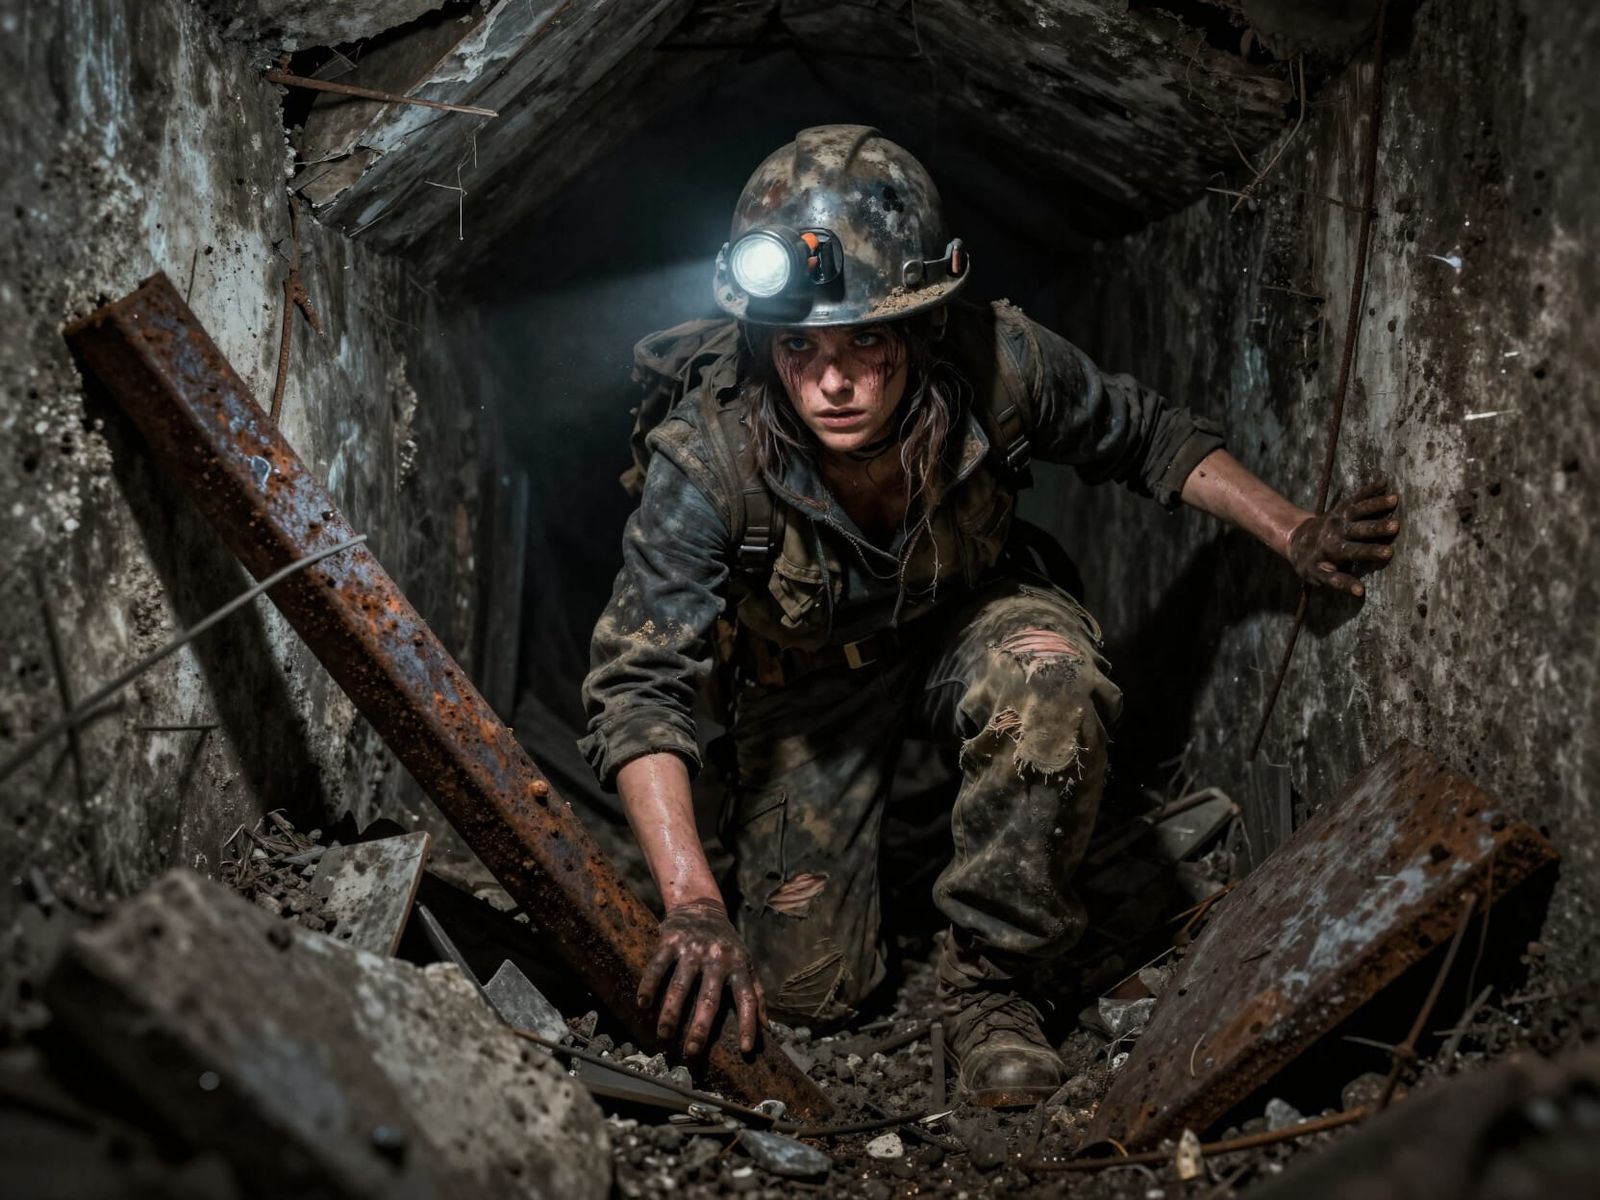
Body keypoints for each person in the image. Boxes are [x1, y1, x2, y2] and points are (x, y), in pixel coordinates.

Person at [580, 125, 1400, 1106]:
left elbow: (1146, 438)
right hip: (806, 691)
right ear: (764, 343)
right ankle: (955, 867)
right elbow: (639, 683)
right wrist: (692, 902)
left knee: (1047, 675)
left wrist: (1291, 529)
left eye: (866, 342)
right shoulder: (707, 454)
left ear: (922, 327)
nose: (831, 381)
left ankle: (994, 990)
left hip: (968, 617)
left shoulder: (1002, 364)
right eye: (798, 347)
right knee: (810, 996)